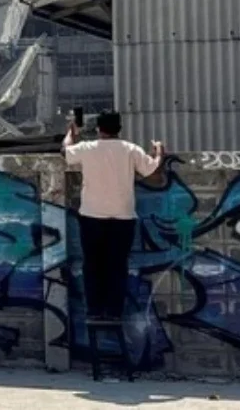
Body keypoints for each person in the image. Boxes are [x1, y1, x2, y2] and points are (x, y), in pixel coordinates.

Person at [64, 110, 163, 322]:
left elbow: (66, 152)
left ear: (99, 129)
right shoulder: (130, 149)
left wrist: (71, 132)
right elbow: (151, 169)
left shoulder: (87, 148)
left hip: (92, 216)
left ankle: (94, 311)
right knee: (117, 266)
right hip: (123, 218)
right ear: (119, 128)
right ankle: (114, 312)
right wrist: (159, 151)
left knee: (92, 265)